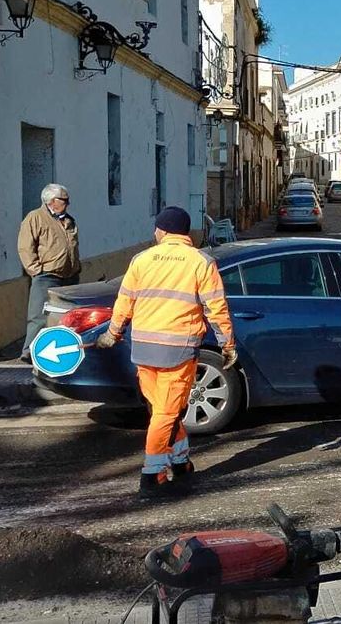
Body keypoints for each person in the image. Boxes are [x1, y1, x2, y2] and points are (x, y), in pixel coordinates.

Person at [96, 206, 237, 500]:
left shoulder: (141, 260)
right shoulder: (200, 262)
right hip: (178, 349)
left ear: (161, 230)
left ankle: (181, 461)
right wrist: (227, 344)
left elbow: (125, 302)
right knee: (166, 412)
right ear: (185, 233)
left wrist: (113, 334)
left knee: (162, 410)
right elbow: (216, 308)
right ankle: (152, 473)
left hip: (144, 349)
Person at [18, 183, 81, 361]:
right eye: (64, 200)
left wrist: (76, 267)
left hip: (69, 276)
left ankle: (62, 349)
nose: (68, 203)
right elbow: (25, 247)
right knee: (39, 315)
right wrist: (36, 271)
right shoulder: (35, 218)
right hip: (47, 276)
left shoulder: (68, 220)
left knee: (67, 316)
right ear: (51, 201)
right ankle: (29, 351)